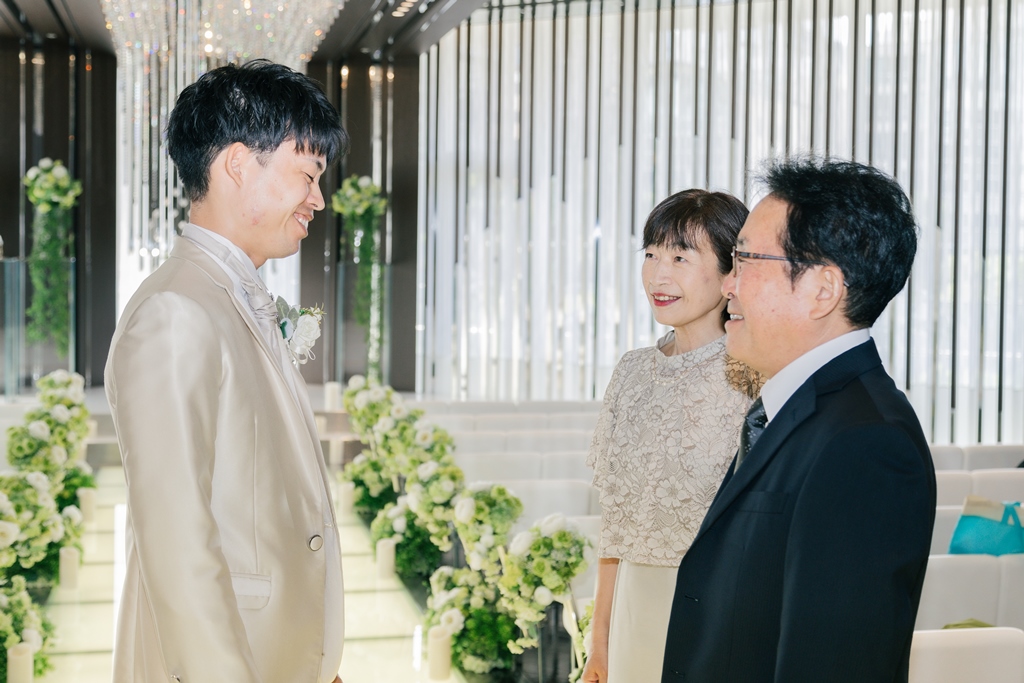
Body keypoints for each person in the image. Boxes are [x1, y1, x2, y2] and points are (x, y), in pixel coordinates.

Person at [105, 60, 347, 683]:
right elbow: (178, 544)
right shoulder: (175, 312)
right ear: (238, 164)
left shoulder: (229, 295)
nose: (319, 199)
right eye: (308, 174)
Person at [662, 157, 936, 682]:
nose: (727, 286)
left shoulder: (866, 444)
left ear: (823, 290)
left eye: (744, 259)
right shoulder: (792, 408)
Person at [583, 189, 759, 683]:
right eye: (651, 255)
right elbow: (615, 525)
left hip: (717, 613)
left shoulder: (753, 375)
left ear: (730, 270)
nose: (659, 276)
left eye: (681, 257)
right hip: (632, 610)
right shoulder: (632, 372)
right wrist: (599, 641)